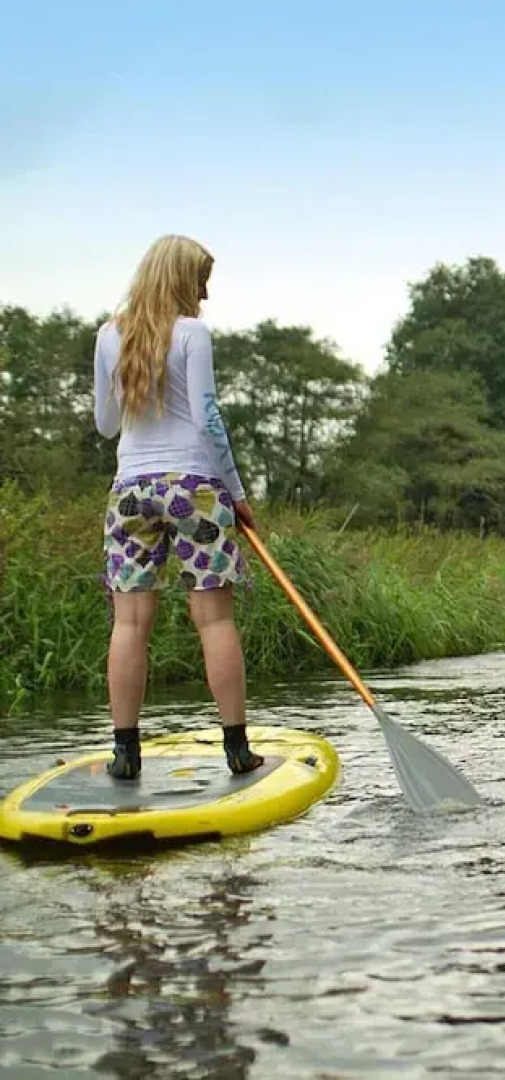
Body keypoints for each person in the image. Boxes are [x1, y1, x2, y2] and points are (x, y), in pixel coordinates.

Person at [92, 234, 262, 779]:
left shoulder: (107, 335)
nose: (205, 295)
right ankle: (236, 750)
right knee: (213, 620)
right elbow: (209, 419)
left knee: (129, 624)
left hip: (131, 490)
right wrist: (235, 494)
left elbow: (106, 424)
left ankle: (125, 753)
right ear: (183, 281)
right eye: (201, 282)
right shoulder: (193, 334)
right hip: (196, 486)